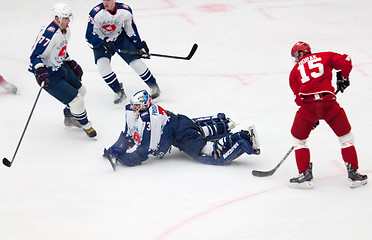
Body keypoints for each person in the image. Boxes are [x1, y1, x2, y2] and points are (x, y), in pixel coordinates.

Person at [103, 90, 260, 170]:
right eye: (134, 104)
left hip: (182, 135)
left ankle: (243, 137)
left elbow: (145, 149)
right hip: (180, 123)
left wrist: (128, 159)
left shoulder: (150, 119)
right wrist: (115, 150)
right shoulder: (142, 111)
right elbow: (130, 134)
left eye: (137, 105)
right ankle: (224, 124)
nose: (134, 108)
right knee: (197, 129)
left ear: (145, 104)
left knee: (210, 153)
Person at [289, 41, 367, 189]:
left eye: (295, 55)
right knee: (346, 138)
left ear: (300, 53)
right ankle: (354, 174)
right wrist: (342, 77)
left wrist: (311, 118)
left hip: (308, 106)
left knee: (298, 139)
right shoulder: (325, 56)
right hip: (329, 103)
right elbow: (347, 60)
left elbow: (298, 98)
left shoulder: (294, 71)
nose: (295, 59)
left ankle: (304, 175)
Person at [29, 3, 97, 138]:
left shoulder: (66, 31)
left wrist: (69, 61)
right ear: (57, 18)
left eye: (68, 17)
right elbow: (35, 56)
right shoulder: (49, 34)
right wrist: (40, 72)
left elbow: (60, 49)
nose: (68, 21)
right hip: (47, 74)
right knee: (77, 101)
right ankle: (86, 125)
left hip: (60, 67)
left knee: (81, 91)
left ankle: (70, 116)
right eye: (66, 18)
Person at [85, 0, 161, 104]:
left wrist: (139, 44)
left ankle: (153, 85)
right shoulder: (95, 13)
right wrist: (104, 42)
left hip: (120, 38)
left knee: (136, 62)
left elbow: (130, 28)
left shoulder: (125, 10)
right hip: (101, 42)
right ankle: (118, 91)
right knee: (102, 66)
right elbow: (89, 35)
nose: (105, 2)